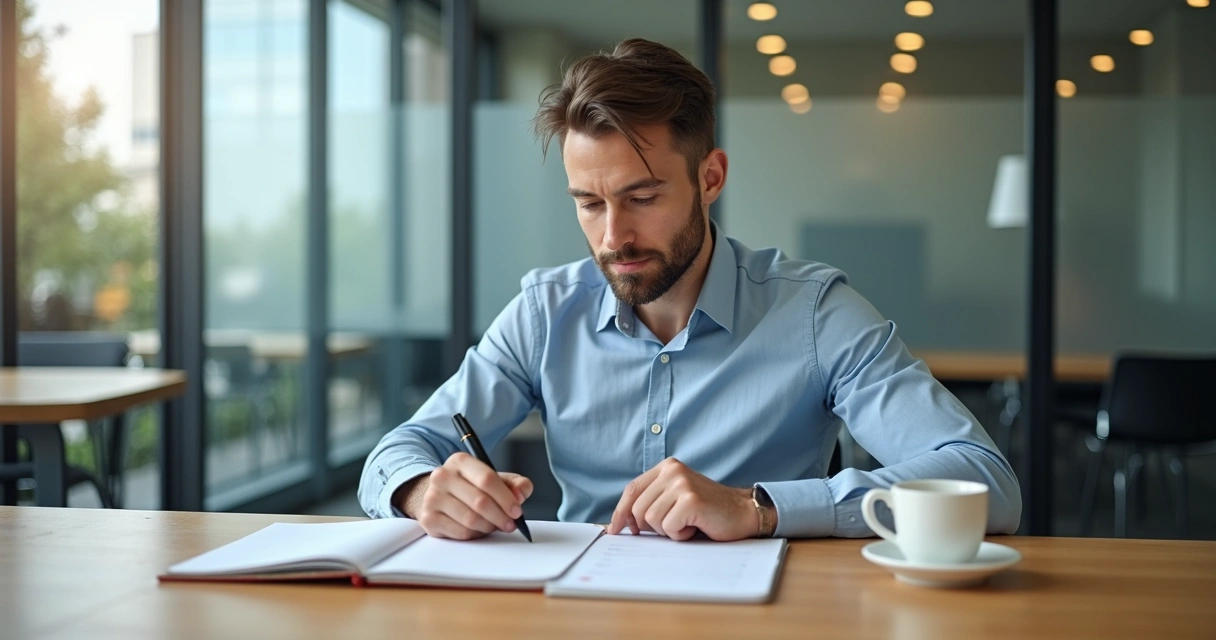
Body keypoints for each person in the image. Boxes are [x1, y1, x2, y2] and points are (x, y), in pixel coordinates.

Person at [358, 38, 1021, 541]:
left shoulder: (814, 313)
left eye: (641, 197)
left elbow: (985, 482)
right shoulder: (544, 311)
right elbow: (394, 453)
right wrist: (421, 489)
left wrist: (758, 507)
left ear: (710, 178)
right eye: (588, 203)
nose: (613, 235)